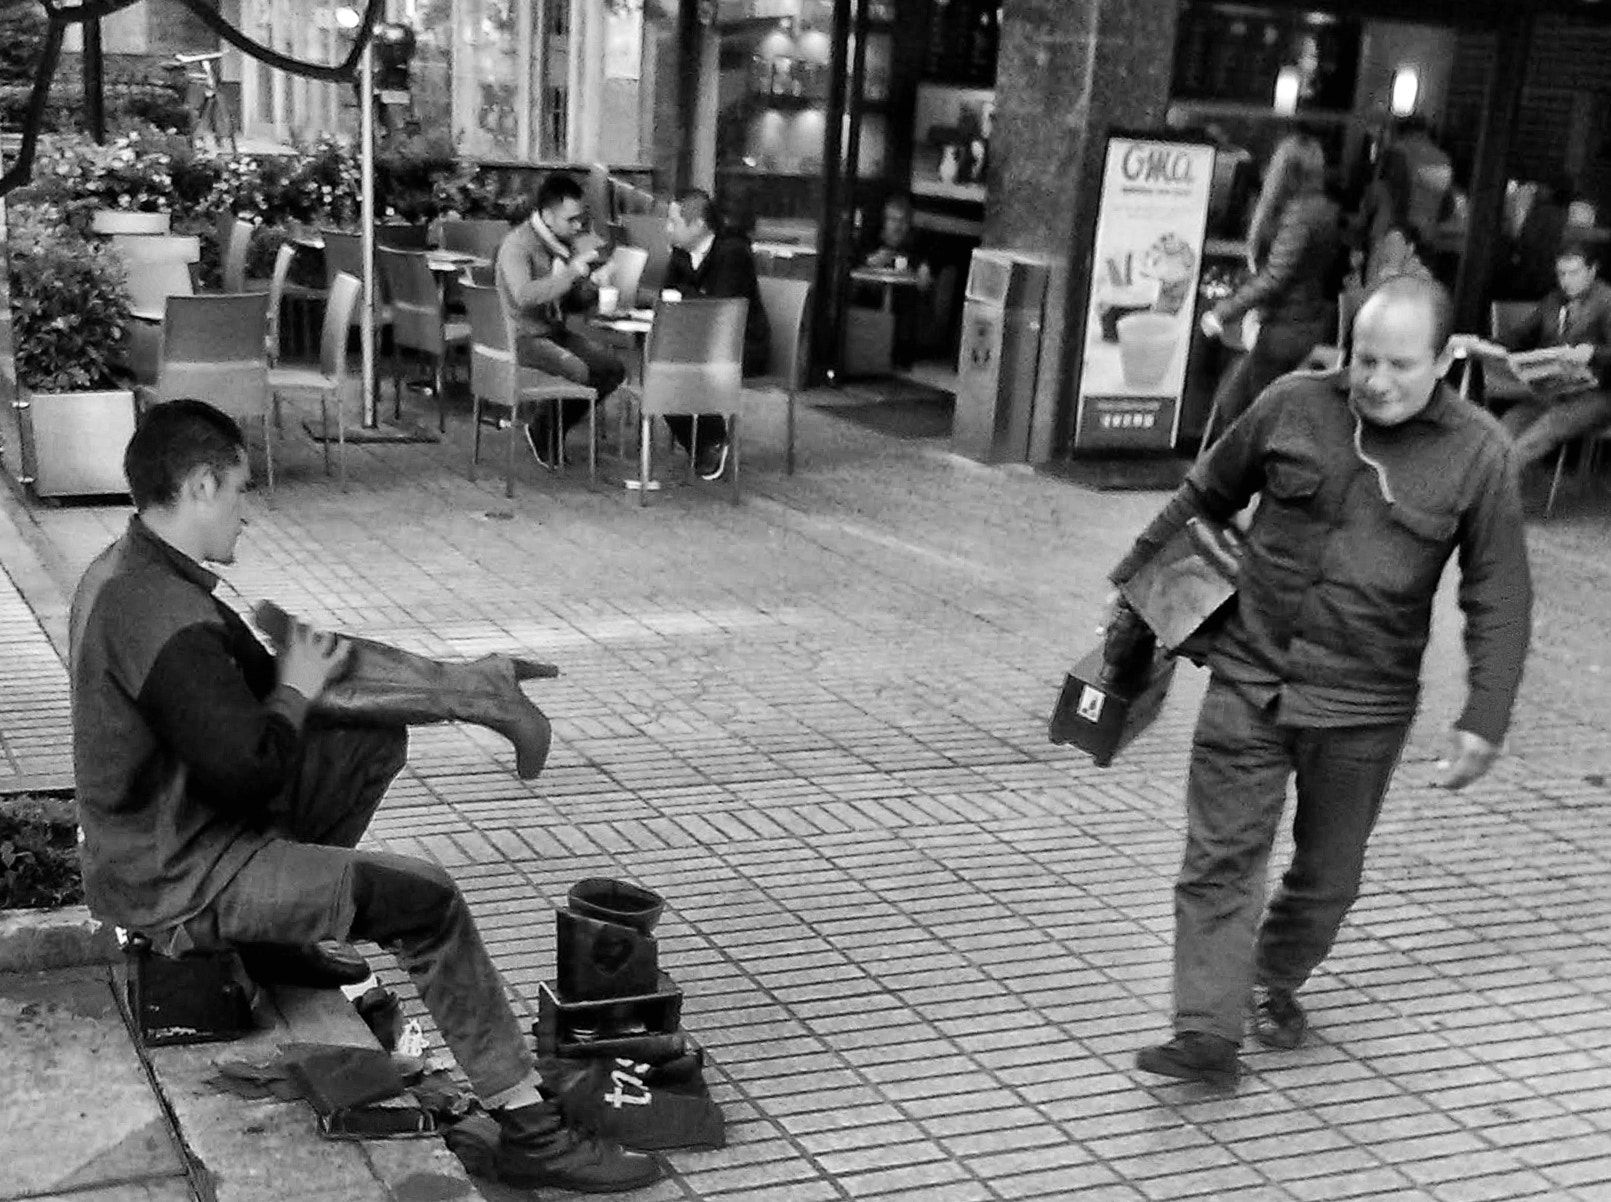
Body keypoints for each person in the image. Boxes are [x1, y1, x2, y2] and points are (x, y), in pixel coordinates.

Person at [68, 400, 661, 1193]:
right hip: (175, 877)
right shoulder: (163, 616)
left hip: (164, 838)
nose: (247, 514)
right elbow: (248, 764)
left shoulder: (130, 572)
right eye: (241, 492)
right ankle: (531, 1128)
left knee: (365, 739)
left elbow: (295, 678)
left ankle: (280, 942)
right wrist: (303, 686)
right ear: (202, 484)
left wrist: (458, 687)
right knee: (427, 900)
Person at [1115, 276, 1532, 1088]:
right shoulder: (1292, 404)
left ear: (1445, 359)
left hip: (1361, 706)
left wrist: (1484, 715)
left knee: (1327, 877)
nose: (1372, 380)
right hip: (1249, 675)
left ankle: (1269, 975)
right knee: (1219, 858)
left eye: (1398, 365)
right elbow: (1204, 496)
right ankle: (1205, 1029)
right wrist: (1131, 584)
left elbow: (1500, 594)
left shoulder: (1478, 454)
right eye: (1361, 358)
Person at [1201, 133, 1343, 436]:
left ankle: (1238, 477)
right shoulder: (1324, 211)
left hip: (1284, 326)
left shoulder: (1297, 215)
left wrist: (1223, 311)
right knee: (1247, 409)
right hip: (1304, 321)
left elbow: (1276, 276)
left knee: (1238, 411)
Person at [496, 173, 627, 470]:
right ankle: (544, 431)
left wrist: (593, 284)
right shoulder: (517, 246)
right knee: (579, 369)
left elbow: (569, 303)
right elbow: (524, 296)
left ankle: (548, 428)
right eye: (571, 220)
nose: (578, 226)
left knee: (611, 368)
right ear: (547, 215)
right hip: (521, 337)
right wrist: (570, 274)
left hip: (554, 332)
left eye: (580, 219)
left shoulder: (562, 244)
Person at [662, 188, 771, 481]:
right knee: (659, 367)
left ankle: (711, 441)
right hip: (697, 340)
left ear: (698, 225)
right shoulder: (681, 254)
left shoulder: (732, 252)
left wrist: (684, 296)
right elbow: (666, 296)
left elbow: (722, 310)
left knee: (678, 367)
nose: (667, 229)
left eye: (674, 222)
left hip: (742, 344)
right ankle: (704, 442)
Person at [1483, 242, 1611, 467]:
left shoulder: (1607, 301)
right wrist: (1485, 345)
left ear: (1592, 271)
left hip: (1597, 395)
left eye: (1574, 273)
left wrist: (1593, 353)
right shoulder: (1553, 300)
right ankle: (1480, 485)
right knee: (1500, 432)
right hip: (1552, 390)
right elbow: (1521, 335)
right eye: (1562, 273)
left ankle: (1490, 487)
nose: (1567, 281)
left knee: (1537, 436)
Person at [858, 193, 934, 368]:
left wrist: (924, 266)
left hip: (903, 293)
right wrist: (872, 260)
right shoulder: (873, 238)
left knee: (908, 301)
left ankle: (902, 354)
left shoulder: (914, 242)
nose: (897, 226)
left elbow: (923, 260)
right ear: (885, 221)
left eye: (902, 221)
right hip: (872, 290)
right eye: (893, 220)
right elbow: (860, 259)